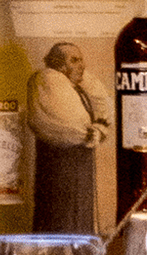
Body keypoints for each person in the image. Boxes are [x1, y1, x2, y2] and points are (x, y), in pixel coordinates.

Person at [28, 43, 112, 234]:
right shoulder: (49, 83)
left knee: (80, 210)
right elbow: (64, 123)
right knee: (60, 212)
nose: (81, 65)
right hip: (58, 162)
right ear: (59, 64)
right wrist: (90, 134)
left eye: (81, 59)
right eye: (74, 60)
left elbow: (102, 109)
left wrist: (98, 130)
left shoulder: (78, 88)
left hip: (80, 161)